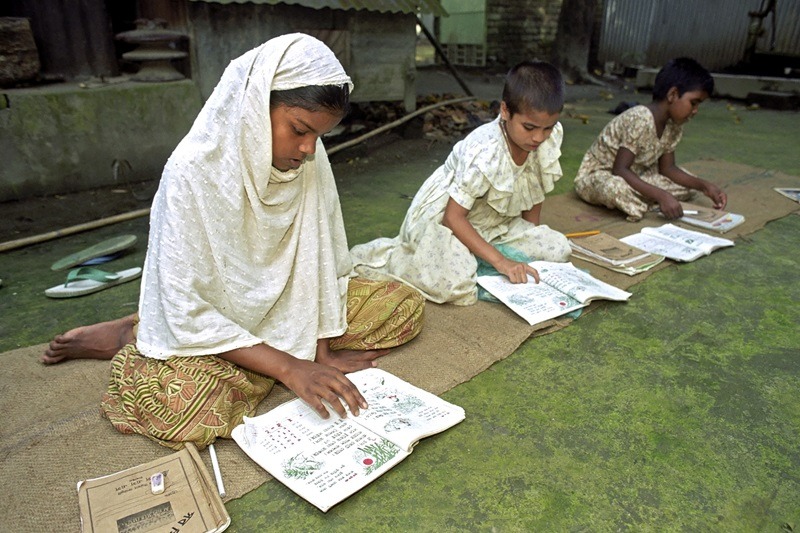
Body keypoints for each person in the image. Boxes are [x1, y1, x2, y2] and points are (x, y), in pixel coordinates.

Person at [41, 33, 424, 450]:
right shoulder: (191, 171)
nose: (308, 149)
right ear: (256, 106)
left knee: (402, 305)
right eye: (299, 130)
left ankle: (249, 357)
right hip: (212, 316)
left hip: (289, 307)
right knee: (179, 410)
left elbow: (321, 256)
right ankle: (133, 335)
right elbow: (188, 305)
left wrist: (321, 352)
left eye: (319, 135)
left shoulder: (311, 159)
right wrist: (289, 368)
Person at [349, 60, 571, 306]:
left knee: (557, 249)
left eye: (547, 128)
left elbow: (534, 191)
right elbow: (453, 218)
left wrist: (528, 241)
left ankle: (479, 258)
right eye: (529, 127)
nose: (539, 137)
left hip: (497, 224)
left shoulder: (548, 137)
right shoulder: (484, 151)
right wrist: (502, 261)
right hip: (447, 220)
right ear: (505, 111)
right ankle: (406, 256)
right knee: (453, 284)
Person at [574, 57, 727, 221]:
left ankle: (644, 199)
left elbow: (668, 169)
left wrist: (705, 186)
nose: (695, 110)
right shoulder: (640, 118)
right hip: (601, 176)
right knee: (615, 189)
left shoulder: (674, 125)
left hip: (638, 175)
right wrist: (661, 195)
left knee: (688, 187)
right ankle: (648, 200)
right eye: (693, 103)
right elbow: (619, 169)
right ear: (673, 94)